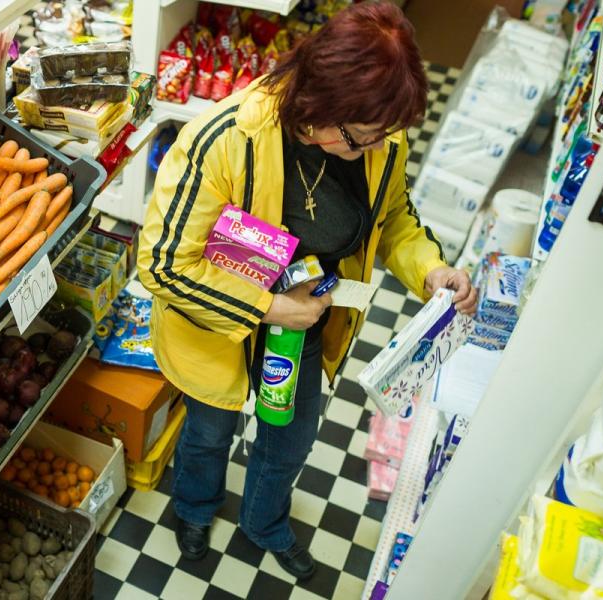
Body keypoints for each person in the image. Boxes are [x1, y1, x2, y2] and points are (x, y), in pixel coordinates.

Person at [136, 1, 478, 581]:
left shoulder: (377, 141)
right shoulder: (224, 139)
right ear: (319, 108)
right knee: (207, 430)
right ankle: (194, 507)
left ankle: (264, 522)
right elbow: (164, 263)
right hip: (218, 326)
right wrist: (269, 307)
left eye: (383, 137)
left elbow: (391, 217)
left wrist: (429, 269)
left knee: (290, 438)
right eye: (360, 137)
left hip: (310, 320)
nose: (376, 149)